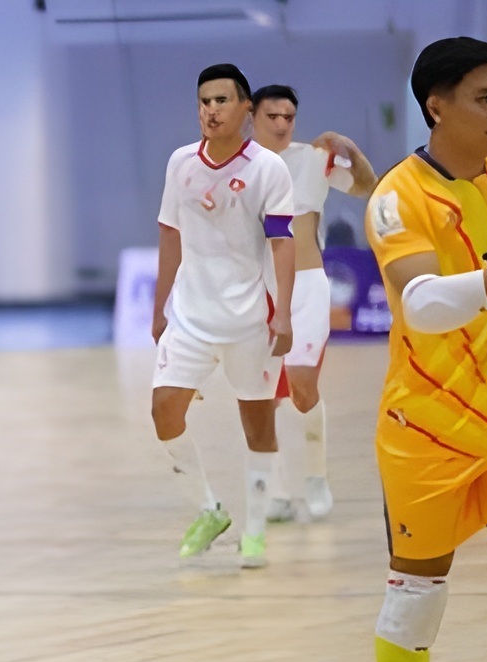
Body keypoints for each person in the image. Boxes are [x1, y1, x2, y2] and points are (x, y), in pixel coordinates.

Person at [364, 36, 487, 662]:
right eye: (486, 98)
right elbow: (420, 304)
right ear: (436, 106)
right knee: (417, 597)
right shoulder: (397, 197)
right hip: (428, 426)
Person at [151, 64, 296, 570]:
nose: (210, 110)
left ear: (245, 110)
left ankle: (254, 531)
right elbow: (170, 234)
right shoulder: (180, 163)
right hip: (190, 317)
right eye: (203, 102)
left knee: (257, 426)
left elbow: (281, 243)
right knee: (164, 411)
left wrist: (284, 316)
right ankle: (210, 510)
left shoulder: (268, 169)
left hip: (250, 320)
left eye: (220, 101)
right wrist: (159, 307)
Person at [249, 84, 377, 522]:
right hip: (256, 290)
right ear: (253, 118)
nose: (282, 125)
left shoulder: (312, 159)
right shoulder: (236, 166)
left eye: (289, 117)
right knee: (264, 394)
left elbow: (367, 187)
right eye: (273, 117)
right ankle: (279, 490)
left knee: (302, 389)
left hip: (305, 286)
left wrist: (350, 149)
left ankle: (316, 476)